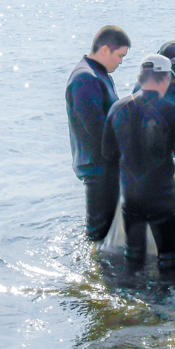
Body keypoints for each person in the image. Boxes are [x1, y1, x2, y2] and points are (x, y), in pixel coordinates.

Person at [102, 54, 175, 271]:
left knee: (133, 255)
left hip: (130, 197)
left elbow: (108, 154)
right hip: (163, 199)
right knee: (169, 259)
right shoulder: (173, 112)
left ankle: (129, 296)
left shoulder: (117, 109)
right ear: (165, 79)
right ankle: (168, 301)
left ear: (140, 77)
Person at [66, 26, 130, 241]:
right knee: (99, 232)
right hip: (98, 167)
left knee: (108, 227)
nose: (121, 61)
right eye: (120, 55)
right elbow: (96, 128)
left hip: (105, 164)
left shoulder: (99, 73)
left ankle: (99, 270)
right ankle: (92, 272)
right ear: (105, 50)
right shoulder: (85, 78)